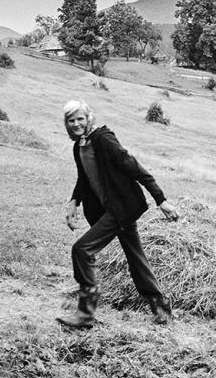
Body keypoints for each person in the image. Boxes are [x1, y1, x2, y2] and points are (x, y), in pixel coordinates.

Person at [59, 100, 180, 327]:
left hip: (121, 208)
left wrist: (161, 200)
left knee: (82, 250)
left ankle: (86, 313)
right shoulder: (79, 147)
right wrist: (74, 201)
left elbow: (133, 166)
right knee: (136, 257)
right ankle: (161, 309)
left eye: (80, 119)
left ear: (88, 118)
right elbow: (83, 178)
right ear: (66, 124)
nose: (76, 124)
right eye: (71, 120)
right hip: (110, 209)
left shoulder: (103, 139)